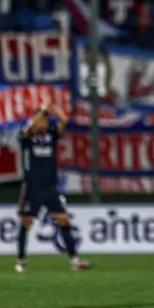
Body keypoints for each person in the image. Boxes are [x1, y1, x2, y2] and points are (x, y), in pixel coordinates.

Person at [15, 95, 93, 273]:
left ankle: (74, 260)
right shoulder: (26, 135)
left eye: (45, 120)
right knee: (26, 222)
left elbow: (64, 120)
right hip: (32, 187)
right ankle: (21, 261)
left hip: (50, 186)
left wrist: (52, 108)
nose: (44, 123)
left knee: (63, 219)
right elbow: (30, 127)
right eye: (42, 120)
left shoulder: (50, 135)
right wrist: (41, 110)